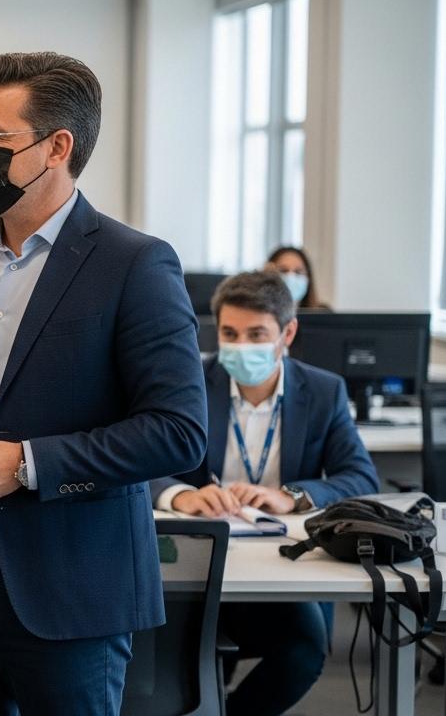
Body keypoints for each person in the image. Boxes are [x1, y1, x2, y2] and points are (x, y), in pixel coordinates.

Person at [0, 52, 207, 715]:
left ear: (57, 147)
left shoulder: (135, 264)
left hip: (72, 589)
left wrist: (28, 464)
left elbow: (178, 432)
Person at [151, 271, 378, 716]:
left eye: (257, 334)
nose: (241, 346)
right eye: (231, 334)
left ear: (287, 333)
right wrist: (180, 495)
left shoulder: (324, 390)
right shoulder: (189, 384)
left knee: (303, 653)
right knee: (184, 659)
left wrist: (291, 495)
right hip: (202, 555)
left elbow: (360, 476)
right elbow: (137, 469)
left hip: (284, 562)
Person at [265, 245, 329, 310]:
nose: (291, 276)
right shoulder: (260, 315)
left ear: (308, 277)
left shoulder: (324, 313)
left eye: (298, 272)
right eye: (283, 271)